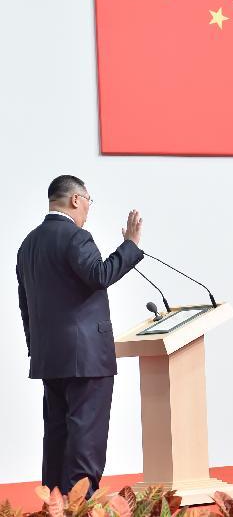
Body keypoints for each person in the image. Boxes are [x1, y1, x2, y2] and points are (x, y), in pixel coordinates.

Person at [16, 175, 145, 495]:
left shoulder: (28, 244)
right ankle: (81, 507)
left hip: (49, 357)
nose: (88, 209)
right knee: (86, 438)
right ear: (76, 199)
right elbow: (99, 275)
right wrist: (130, 246)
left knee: (57, 437)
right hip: (86, 358)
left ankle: (55, 504)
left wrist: (36, 346)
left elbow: (25, 303)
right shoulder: (76, 237)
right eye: (88, 201)